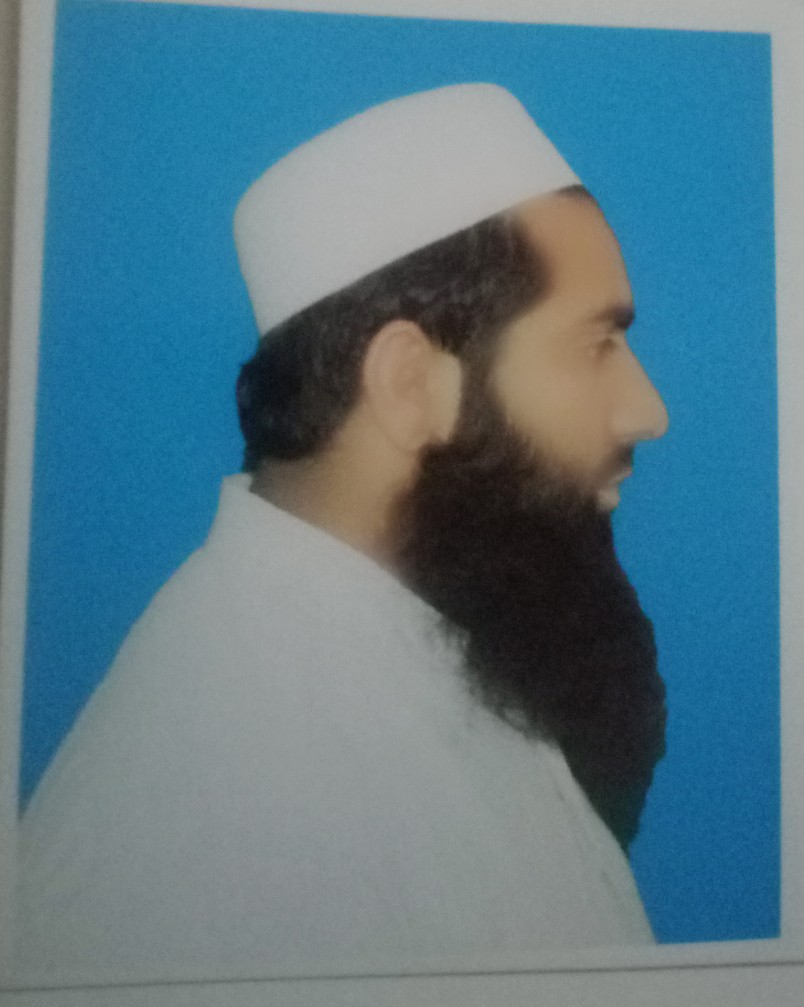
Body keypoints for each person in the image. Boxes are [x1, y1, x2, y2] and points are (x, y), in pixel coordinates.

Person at [15, 83, 669, 984]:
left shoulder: (404, 642)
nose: (648, 410)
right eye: (597, 346)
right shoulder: (226, 812)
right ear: (410, 383)